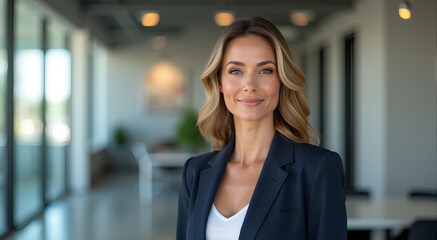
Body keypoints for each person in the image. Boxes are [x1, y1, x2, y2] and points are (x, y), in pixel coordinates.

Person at [176, 17, 347, 240]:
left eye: (265, 70)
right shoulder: (195, 173)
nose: (249, 85)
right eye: (236, 71)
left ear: (281, 80)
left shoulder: (317, 170)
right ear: (219, 82)